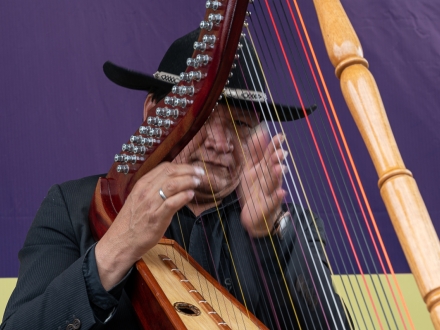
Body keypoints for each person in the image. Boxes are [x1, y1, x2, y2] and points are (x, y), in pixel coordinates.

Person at [1, 29, 350, 329]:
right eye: (203, 119)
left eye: (241, 126)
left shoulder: (286, 228)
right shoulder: (72, 205)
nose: (221, 143)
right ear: (155, 114)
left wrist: (273, 240)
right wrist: (114, 251)